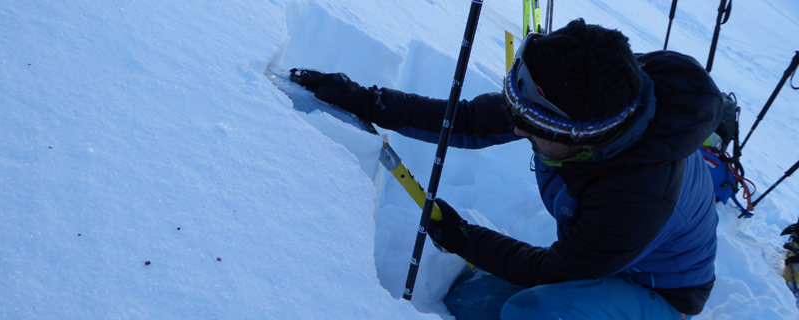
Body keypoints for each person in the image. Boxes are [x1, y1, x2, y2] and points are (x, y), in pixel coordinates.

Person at [292, 19, 722, 320]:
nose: (515, 126)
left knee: (525, 312)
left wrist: (467, 239)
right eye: (517, 110)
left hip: (657, 292)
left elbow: (556, 271)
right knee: (473, 306)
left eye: (530, 126)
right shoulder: (584, 92)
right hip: (610, 249)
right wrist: (371, 102)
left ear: (583, 139)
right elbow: (469, 121)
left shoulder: (637, 196)